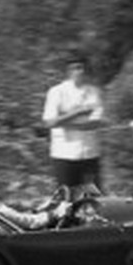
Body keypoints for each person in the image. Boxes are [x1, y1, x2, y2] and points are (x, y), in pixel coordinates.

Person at [41, 52, 107, 190]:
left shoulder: (94, 92)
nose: (80, 72)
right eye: (76, 68)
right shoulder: (57, 92)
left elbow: (96, 122)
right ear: (68, 71)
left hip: (90, 152)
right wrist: (78, 113)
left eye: (82, 68)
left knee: (94, 197)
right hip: (64, 154)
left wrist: (64, 122)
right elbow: (49, 122)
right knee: (67, 199)